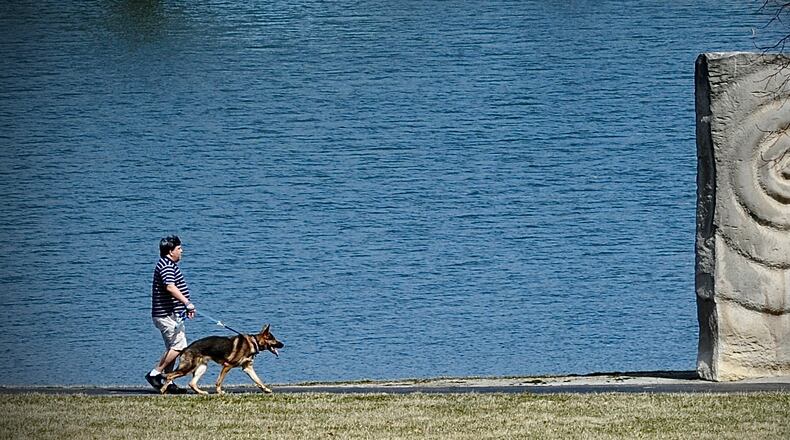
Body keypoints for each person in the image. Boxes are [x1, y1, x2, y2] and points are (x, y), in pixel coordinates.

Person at [145, 235, 196, 393]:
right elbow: (170, 287)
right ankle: (155, 374)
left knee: (172, 349)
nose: (182, 251)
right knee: (179, 347)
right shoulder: (166, 266)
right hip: (165, 315)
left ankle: (168, 382)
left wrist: (184, 309)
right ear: (170, 251)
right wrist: (187, 303)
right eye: (179, 248)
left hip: (171, 314)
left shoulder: (168, 264)